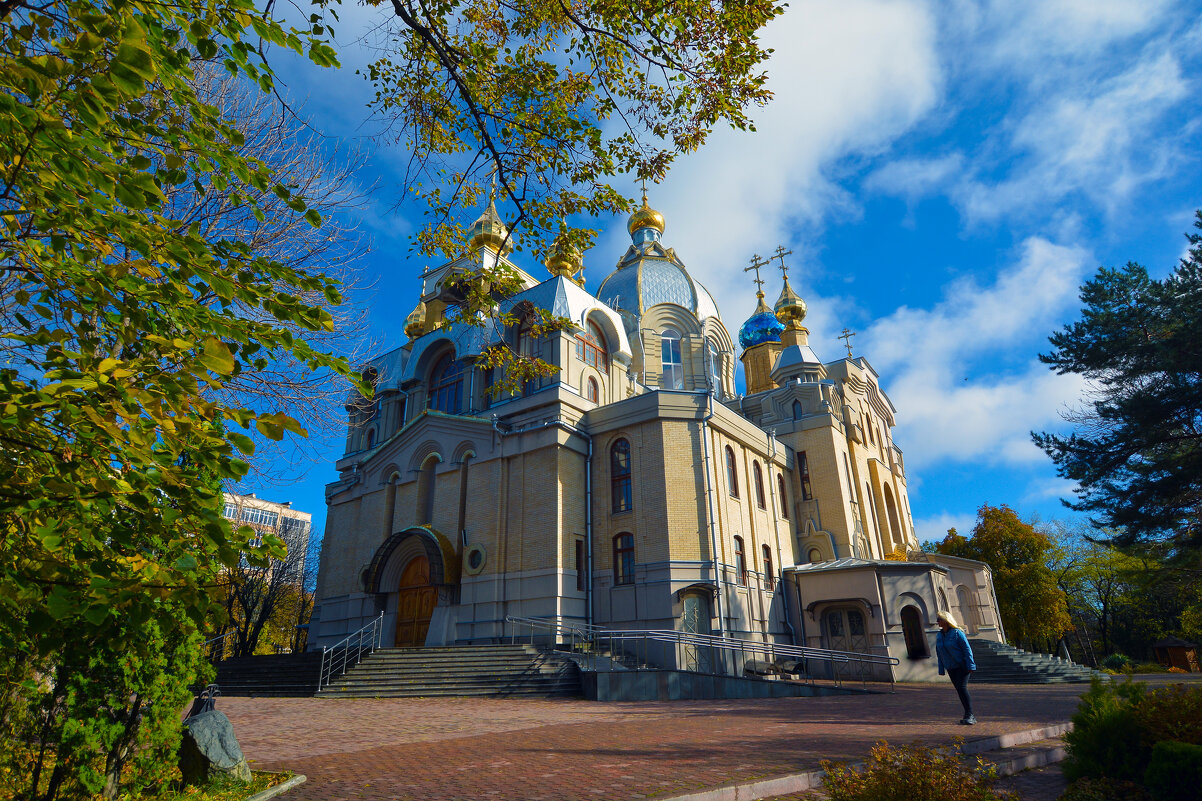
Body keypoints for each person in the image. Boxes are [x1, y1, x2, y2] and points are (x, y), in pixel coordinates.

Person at [935, 609, 976, 725]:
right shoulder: (939, 635)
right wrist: (941, 668)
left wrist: (971, 665)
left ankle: (970, 715)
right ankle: (968, 714)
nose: (937, 621)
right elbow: (939, 652)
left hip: (962, 665)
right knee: (959, 689)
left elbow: (967, 649)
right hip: (950, 667)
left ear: (946, 620)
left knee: (962, 688)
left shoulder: (957, 633)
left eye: (939, 619)